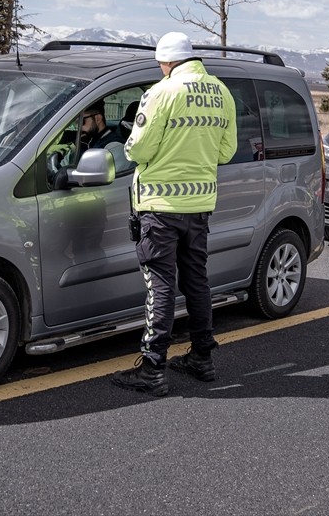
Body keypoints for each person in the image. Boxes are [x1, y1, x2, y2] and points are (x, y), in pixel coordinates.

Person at [110, 32, 237, 396]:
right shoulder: (221, 92)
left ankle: (152, 369)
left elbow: (137, 150)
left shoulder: (161, 92)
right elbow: (226, 152)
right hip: (199, 206)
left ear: (166, 62)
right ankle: (202, 358)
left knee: (160, 284)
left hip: (159, 208)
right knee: (196, 281)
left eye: (160, 64)